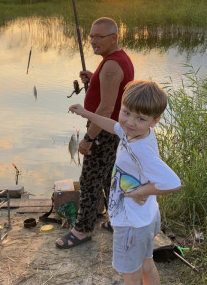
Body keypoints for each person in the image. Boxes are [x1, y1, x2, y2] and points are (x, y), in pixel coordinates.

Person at [68, 80, 181, 285]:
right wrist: (86, 113)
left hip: (131, 223)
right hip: (145, 218)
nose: (129, 122)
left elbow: (172, 182)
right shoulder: (137, 134)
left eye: (140, 118)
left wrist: (140, 192)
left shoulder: (140, 149)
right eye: (126, 112)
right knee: (146, 264)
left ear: (155, 121)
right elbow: (114, 126)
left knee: (130, 274)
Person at [56, 17, 134, 248]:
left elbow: (107, 108)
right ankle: (117, 220)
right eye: (91, 36)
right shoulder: (116, 60)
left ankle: (81, 231)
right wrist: (95, 78)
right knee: (110, 179)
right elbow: (113, 89)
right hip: (114, 131)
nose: (92, 41)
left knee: (90, 181)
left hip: (105, 132)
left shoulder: (111, 65)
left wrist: (89, 137)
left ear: (114, 38)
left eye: (99, 36)